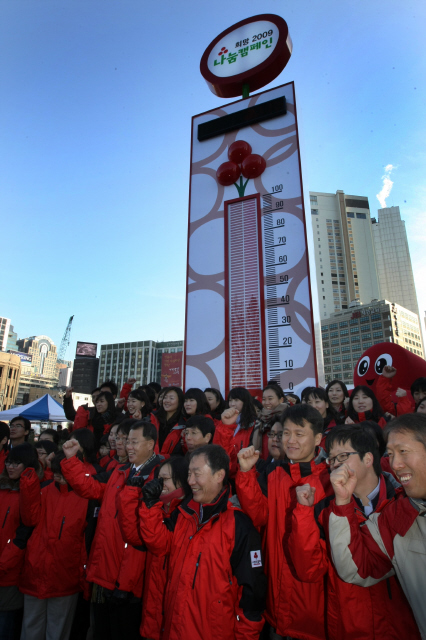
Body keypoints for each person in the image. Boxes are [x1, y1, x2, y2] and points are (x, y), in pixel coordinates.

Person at [289, 424, 420, 640]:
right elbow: (308, 571)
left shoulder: (405, 501)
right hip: (350, 627)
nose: (336, 464)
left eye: (343, 456)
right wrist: (303, 513)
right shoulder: (325, 510)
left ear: (368, 459)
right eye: (331, 459)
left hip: (403, 628)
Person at [138, 444, 267, 640]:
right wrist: (149, 507)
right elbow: (160, 545)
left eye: (196, 474)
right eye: (189, 474)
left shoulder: (238, 525)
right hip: (175, 627)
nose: (190, 481)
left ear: (219, 475)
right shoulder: (184, 512)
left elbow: (251, 596)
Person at [235, 404, 332, 640]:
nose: (290, 440)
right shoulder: (275, 473)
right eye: (285, 433)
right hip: (275, 601)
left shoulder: (329, 481)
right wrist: (247, 475)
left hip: (312, 611)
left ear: (318, 438)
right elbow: (259, 516)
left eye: (299, 434)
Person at [61, 420, 163, 640]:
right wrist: (71, 460)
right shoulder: (120, 471)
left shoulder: (160, 475)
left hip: (132, 581)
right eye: (127, 442)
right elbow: (90, 487)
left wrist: (127, 583)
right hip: (105, 570)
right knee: (101, 631)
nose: (128, 447)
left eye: (134, 442)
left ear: (151, 444)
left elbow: (144, 539)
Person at [327, 413, 426, 639]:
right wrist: (342, 502)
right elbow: (358, 569)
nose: (395, 464)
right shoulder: (398, 515)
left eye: (403, 451)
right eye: (390, 454)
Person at [18, 451, 92, 640]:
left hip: (64, 573)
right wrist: (29, 484)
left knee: (57, 630)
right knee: (32, 626)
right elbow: (29, 518)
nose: (59, 475)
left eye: (63, 472)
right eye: (56, 471)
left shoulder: (87, 497)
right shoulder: (43, 489)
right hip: (37, 568)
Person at [117, 456, 190, 640]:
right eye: (158, 479)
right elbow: (134, 536)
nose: (159, 484)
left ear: (181, 480)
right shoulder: (161, 508)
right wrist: (131, 494)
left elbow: (160, 545)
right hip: (153, 600)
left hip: (171, 606)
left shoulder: (186, 512)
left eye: (164, 479)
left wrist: (149, 505)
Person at [0, 444, 41, 640]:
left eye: (17, 463)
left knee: (5, 625)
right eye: (9, 462)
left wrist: (4, 563)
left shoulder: (31, 493)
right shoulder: (2, 488)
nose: (11, 466)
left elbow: (24, 532)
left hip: (10, 570)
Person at [253, 385, 288, 459]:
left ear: (281, 400)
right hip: (262, 465)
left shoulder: (288, 419)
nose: (266, 402)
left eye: (270, 399)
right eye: (264, 399)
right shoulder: (259, 419)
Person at [156, 387, 185, 455]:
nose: (167, 401)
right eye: (165, 397)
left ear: (180, 401)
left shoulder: (183, 424)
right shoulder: (154, 418)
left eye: (171, 398)